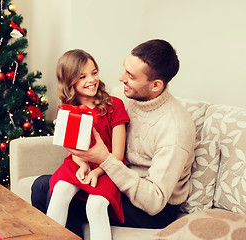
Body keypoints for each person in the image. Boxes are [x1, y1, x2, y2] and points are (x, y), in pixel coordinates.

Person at [31, 39, 196, 238]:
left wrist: (104, 160)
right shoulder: (124, 96)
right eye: (125, 70)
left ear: (156, 85)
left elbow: (153, 201)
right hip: (115, 176)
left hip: (149, 205)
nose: (121, 78)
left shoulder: (175, 128)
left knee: (57, 195)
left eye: (131, 76)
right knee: (43, 186)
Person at [46, 49, 130, 240]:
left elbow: (117, 155)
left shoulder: (115, 105)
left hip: (109, 168)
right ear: (69, 81)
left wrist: (96, 171)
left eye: (94, 73)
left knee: (96, 206)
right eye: (82, 76)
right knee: (59, 192)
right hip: (79, 163)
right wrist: (83, 165)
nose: (91, 80)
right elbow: (75, 149)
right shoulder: (67, 110)